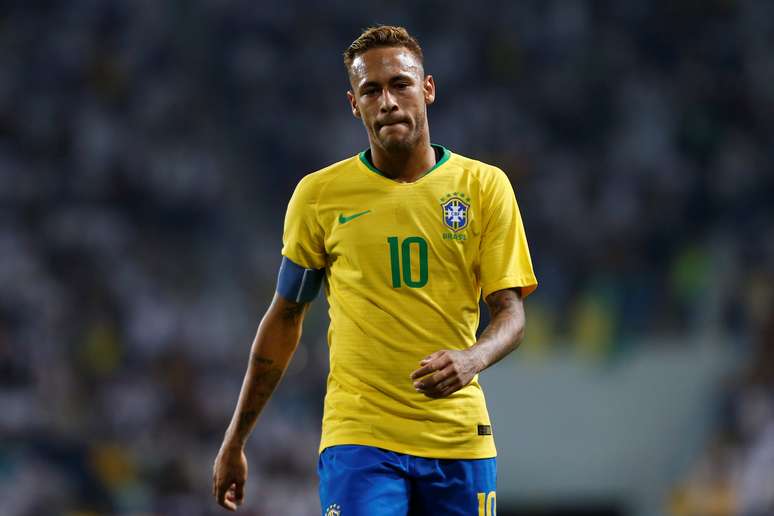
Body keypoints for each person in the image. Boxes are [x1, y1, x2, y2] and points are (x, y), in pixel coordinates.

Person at [212, 25, 537, 515]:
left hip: (458, 439)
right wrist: (236, 438)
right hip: (360, 439)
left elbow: (510, 314)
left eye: (400, 84)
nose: (387, 101)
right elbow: (284, 319)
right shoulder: (320, 196)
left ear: (427, 89)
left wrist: (472, 359)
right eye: (371, 90)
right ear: (354, 103)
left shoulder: (483, 187)